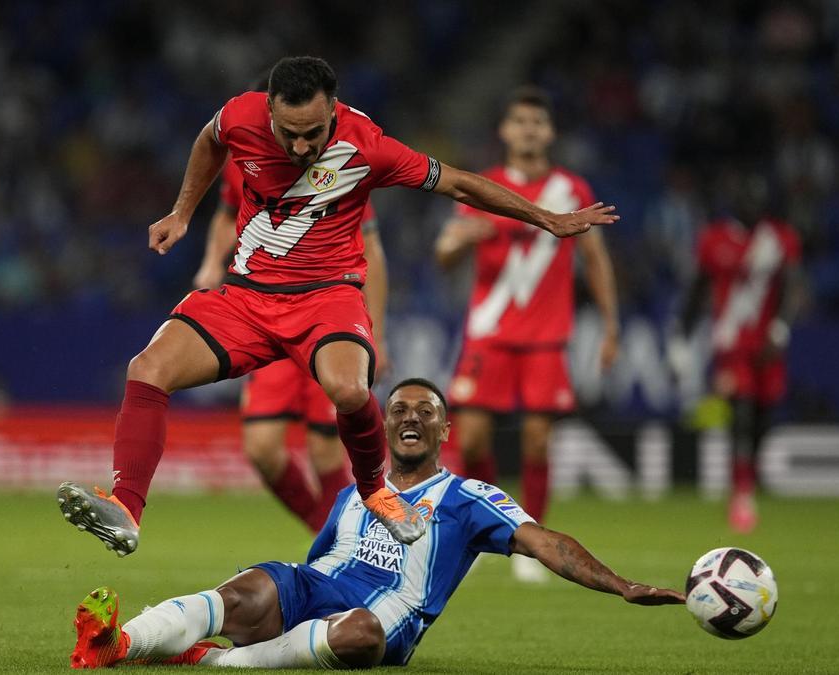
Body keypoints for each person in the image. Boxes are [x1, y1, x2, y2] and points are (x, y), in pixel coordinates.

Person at [56, 56, 617, 555]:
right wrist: (182, 212)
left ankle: (376, 490)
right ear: (269, 109)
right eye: (289, 133)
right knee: (147, 369)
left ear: (334, 111)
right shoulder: (240, 116)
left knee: (349, 390)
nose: (300, 147)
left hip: (327, 296)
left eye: (313, 134)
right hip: (247, 295)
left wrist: (546, 217)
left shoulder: (369, 144)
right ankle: (127, 509)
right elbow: (208, 142)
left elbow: (463, 186)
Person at [68, 378, 684, 669]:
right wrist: (270, 594)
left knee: (360, 631)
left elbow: (545, 542)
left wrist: (621, 584)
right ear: (384, 428)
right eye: (398, 410)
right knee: (251, 587)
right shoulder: (355, 494)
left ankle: (212, 664)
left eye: (426, 411)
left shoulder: (468, 497)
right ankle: (116, 644)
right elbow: (310, 567)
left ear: (445, 430)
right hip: (315, 596)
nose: (410, 417)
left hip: (382, 625)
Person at [434, 87, 619, 582]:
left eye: (538, 122)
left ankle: (533, 540)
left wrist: (610, 324)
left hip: (545, 336)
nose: (529, 130)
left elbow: (595, 258)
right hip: (489, 332)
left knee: (538, 442)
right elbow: (444, 254)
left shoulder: (571, 190)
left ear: (550, 131)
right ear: (505, 131)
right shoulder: (483, 185)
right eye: (520, 122)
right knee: (471, 439)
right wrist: (458, 242)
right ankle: (486, 529)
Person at [193, 158, 390, 532]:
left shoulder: (340, 166)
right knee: (262, 448)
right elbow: (226, 213)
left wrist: (376, 334)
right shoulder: (242, 162)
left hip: (325, 322)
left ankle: (338, 545)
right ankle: (331, 534)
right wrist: (211, 262)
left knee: (325, 450)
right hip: (267, 317)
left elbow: (373, 251)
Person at [670, 168, 801, 534]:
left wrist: (780, 326)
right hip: (730, 344)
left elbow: (790, 286)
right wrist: (683, 334)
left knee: (762, 416)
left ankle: (748, 481)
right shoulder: (714, 239)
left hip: (768, 345)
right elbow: (697, 289)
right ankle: (742, 495)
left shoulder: (779, 238)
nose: (752, 203)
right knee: (740, 413)